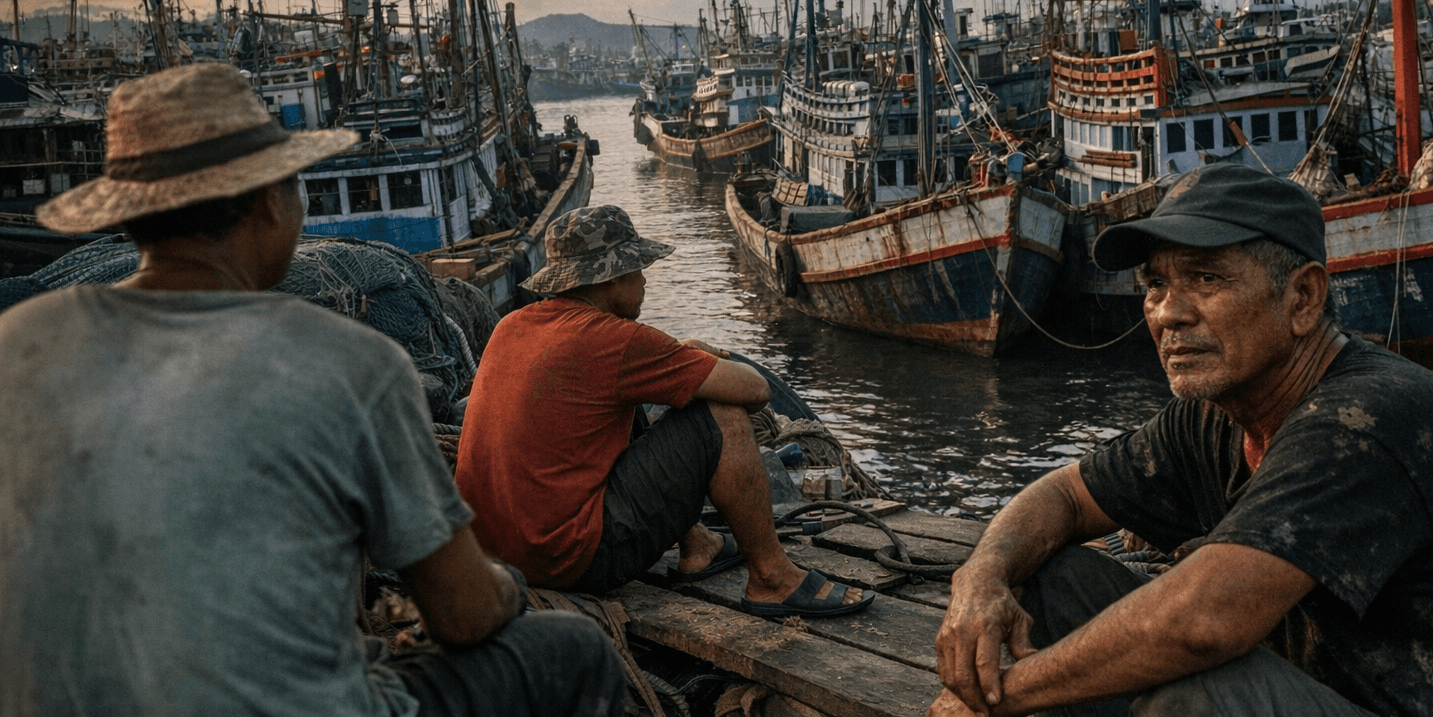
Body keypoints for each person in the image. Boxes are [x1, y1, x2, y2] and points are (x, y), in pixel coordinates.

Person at [0, 63, 625, 717]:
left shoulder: (17, 341)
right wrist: (509, 587)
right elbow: (464, 615)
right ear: (272, 201)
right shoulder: (350, 362)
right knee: (573, 648)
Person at [930, 164, 1433, 717]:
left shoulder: (1367, 418)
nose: (1168, 313)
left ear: (1302, 298)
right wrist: (980, 575)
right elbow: (1066, 495)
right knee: (1048, 580)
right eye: (1155, 284)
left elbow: (1204, 623)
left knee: (1194, 700)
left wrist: (1001, 697)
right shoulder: (1219, 411)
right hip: (1322, 688)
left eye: (1206, 278)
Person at [455, 204, 874, 618]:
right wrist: (707, 354)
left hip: (491, 556)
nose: (643, 281)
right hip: (569, 562)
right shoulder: (615, 340)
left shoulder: (511, 326)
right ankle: (772, 577)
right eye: (638, 270)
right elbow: (756, 390)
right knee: (721, 414)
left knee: (625, 410)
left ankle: (698, 543)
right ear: (612, 276)